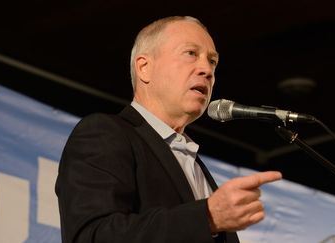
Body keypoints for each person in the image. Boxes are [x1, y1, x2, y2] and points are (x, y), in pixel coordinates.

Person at [55, 16, 282, 243]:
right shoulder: (104, 133)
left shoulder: (192, 161)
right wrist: (207, 217)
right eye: (191, 53)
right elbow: (92, 236)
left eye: (212, 61)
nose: (207, 70)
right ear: (144, 67)